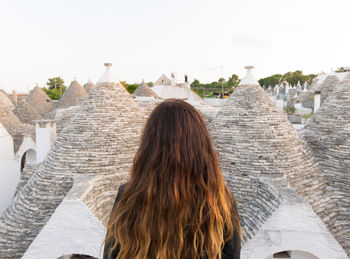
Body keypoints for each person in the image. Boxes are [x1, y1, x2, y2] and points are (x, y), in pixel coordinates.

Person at [103, 99, 241, 259]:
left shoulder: (128, 195)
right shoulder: (220, 199)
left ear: (148, 146)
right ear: (201, 147)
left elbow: (112, 254)